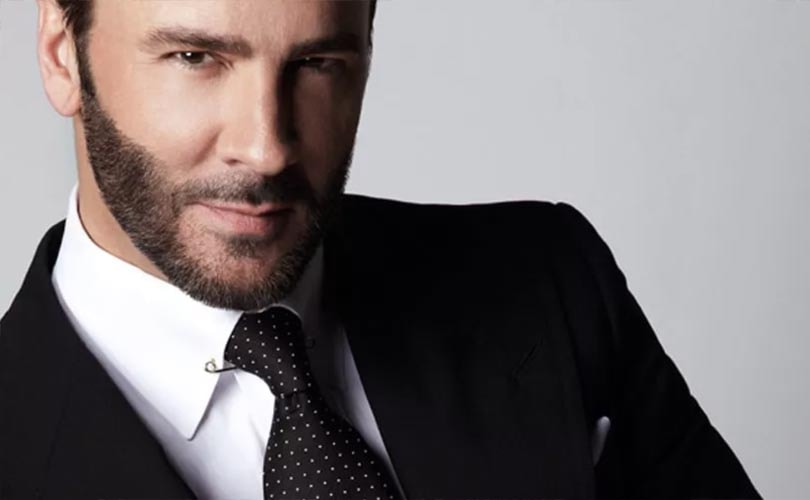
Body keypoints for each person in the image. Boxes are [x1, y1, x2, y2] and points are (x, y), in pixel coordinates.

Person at [0, 0, 760, 498]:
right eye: (195, 59)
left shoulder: (550, 283)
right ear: (63, 54)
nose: (266, 147)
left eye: (317, 64)